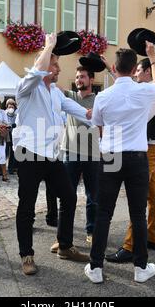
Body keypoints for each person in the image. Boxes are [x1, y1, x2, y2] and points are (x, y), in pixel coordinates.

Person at [84, 43, 155, 284]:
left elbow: (98, 125)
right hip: (137, 157)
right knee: (138, 213)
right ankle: (140, 268)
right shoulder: (144, 91)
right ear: (132, 70)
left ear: (115, 69)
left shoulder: (104, 96)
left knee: (103, 214)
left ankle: (95, 267)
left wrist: (107, 141)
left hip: (110, 155)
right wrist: (152, 57)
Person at [13, 33, 92, 276]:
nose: (59, 68)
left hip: (52, 156)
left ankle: (65, 246)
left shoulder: (56, 92)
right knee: (26, 207)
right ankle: (27, 255)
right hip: (29, 154)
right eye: (55, 64)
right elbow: (36, 71)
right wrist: (48, 47)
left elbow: (83, 113)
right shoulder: (26, 87)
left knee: (68, 198)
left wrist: (105, 117)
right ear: (46, 66)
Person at [105, 58, 155, 265]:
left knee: (138, 198)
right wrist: (111, 69)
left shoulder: (152, 92)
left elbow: (130, 105)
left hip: (149, 149)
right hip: (153, 146)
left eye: (139, 71)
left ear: (149, 72)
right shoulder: (150, 91)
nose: (135, 74)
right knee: (152, 195)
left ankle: (130, 247)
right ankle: (152, 237)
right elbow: (126, 89)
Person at [60, 66, 100, 246]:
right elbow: (54, 87)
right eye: (77, 77)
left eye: (83, 77)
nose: (79, 80)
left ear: (91, 80)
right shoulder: (70, 96)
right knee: (68, 196)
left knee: (93, 197)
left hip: (92, 155)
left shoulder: (99, 100)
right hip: (71, 153)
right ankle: (63, 237)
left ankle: (91, 231)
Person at [5, 99, 18, 175]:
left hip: (13, 134)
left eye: (12, 106)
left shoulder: (16, 115)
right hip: (6, 134)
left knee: (12, 152)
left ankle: (11, 168)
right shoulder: (4, 113)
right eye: (9, 106)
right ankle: (1, 168)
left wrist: (12, 125)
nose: (11, 108)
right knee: (5, 150)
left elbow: (16, 123)